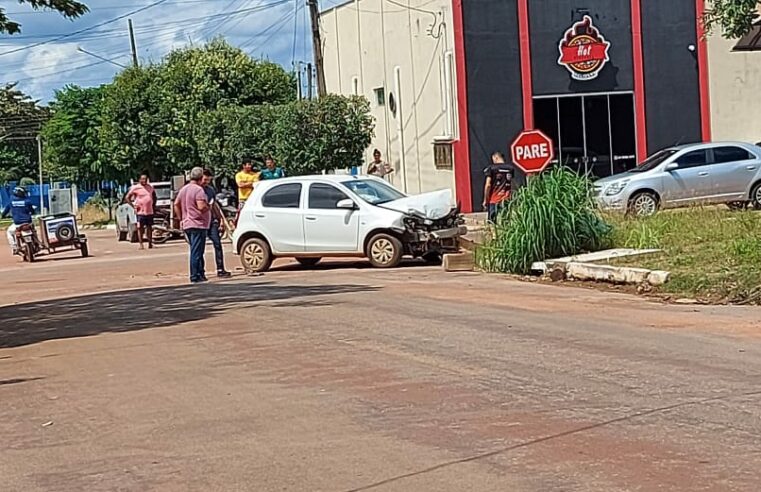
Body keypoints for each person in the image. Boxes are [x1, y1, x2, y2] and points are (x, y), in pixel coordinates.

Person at [174, 167, 211, 283]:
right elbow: (201, 207)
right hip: (197, 223)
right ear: (200, 178)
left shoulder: (183, 189)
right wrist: (208, 206)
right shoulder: (198, 190)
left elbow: (176, 204)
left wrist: (181, 218)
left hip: (187, 223)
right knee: (197, 251)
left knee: (196, 249)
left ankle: (199, 273)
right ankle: (195, 275)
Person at [201, 169, 232, 278]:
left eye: (208, 180)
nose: (206, 182)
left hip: (212, 221)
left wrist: (221, 220)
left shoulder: (210, 190)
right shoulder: (197, 190)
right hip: (200, 222)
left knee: (217, 244)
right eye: (205, 180)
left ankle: (220, 268)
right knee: (200, 248)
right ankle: (201, 271)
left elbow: (214, 205)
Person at [125, 173, 157, 250]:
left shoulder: (150, 187)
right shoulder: (136, 188)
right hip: (140, 212)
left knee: (149, 227)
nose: (144, 180)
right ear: (139, 180)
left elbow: (154, 197)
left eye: (145, 179)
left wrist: (153, 205)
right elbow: (127, 197)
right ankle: (141, 244)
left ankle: (150, 243)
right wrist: (133, 206)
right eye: (142, 179)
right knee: (140, 228)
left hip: (149, 211)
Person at [2, 187, 36, 254]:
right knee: (34, 231)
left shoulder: (11, 202)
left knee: (9, 232)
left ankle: (14, 248)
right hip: (28, 222)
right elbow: (32, 211)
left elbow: (5, 211)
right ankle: (36, 243)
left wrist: (3, 216)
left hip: (17, 224)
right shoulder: (27, 201)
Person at [483, 152, 515, 223]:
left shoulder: (491, 168)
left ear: (496, 158)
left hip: (494, 200)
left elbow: (488, 185)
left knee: (492, 223)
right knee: (506, 222)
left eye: (493, 159)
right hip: (506, 200)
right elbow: (512, 184)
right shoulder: (510, 168)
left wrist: (485, 200)